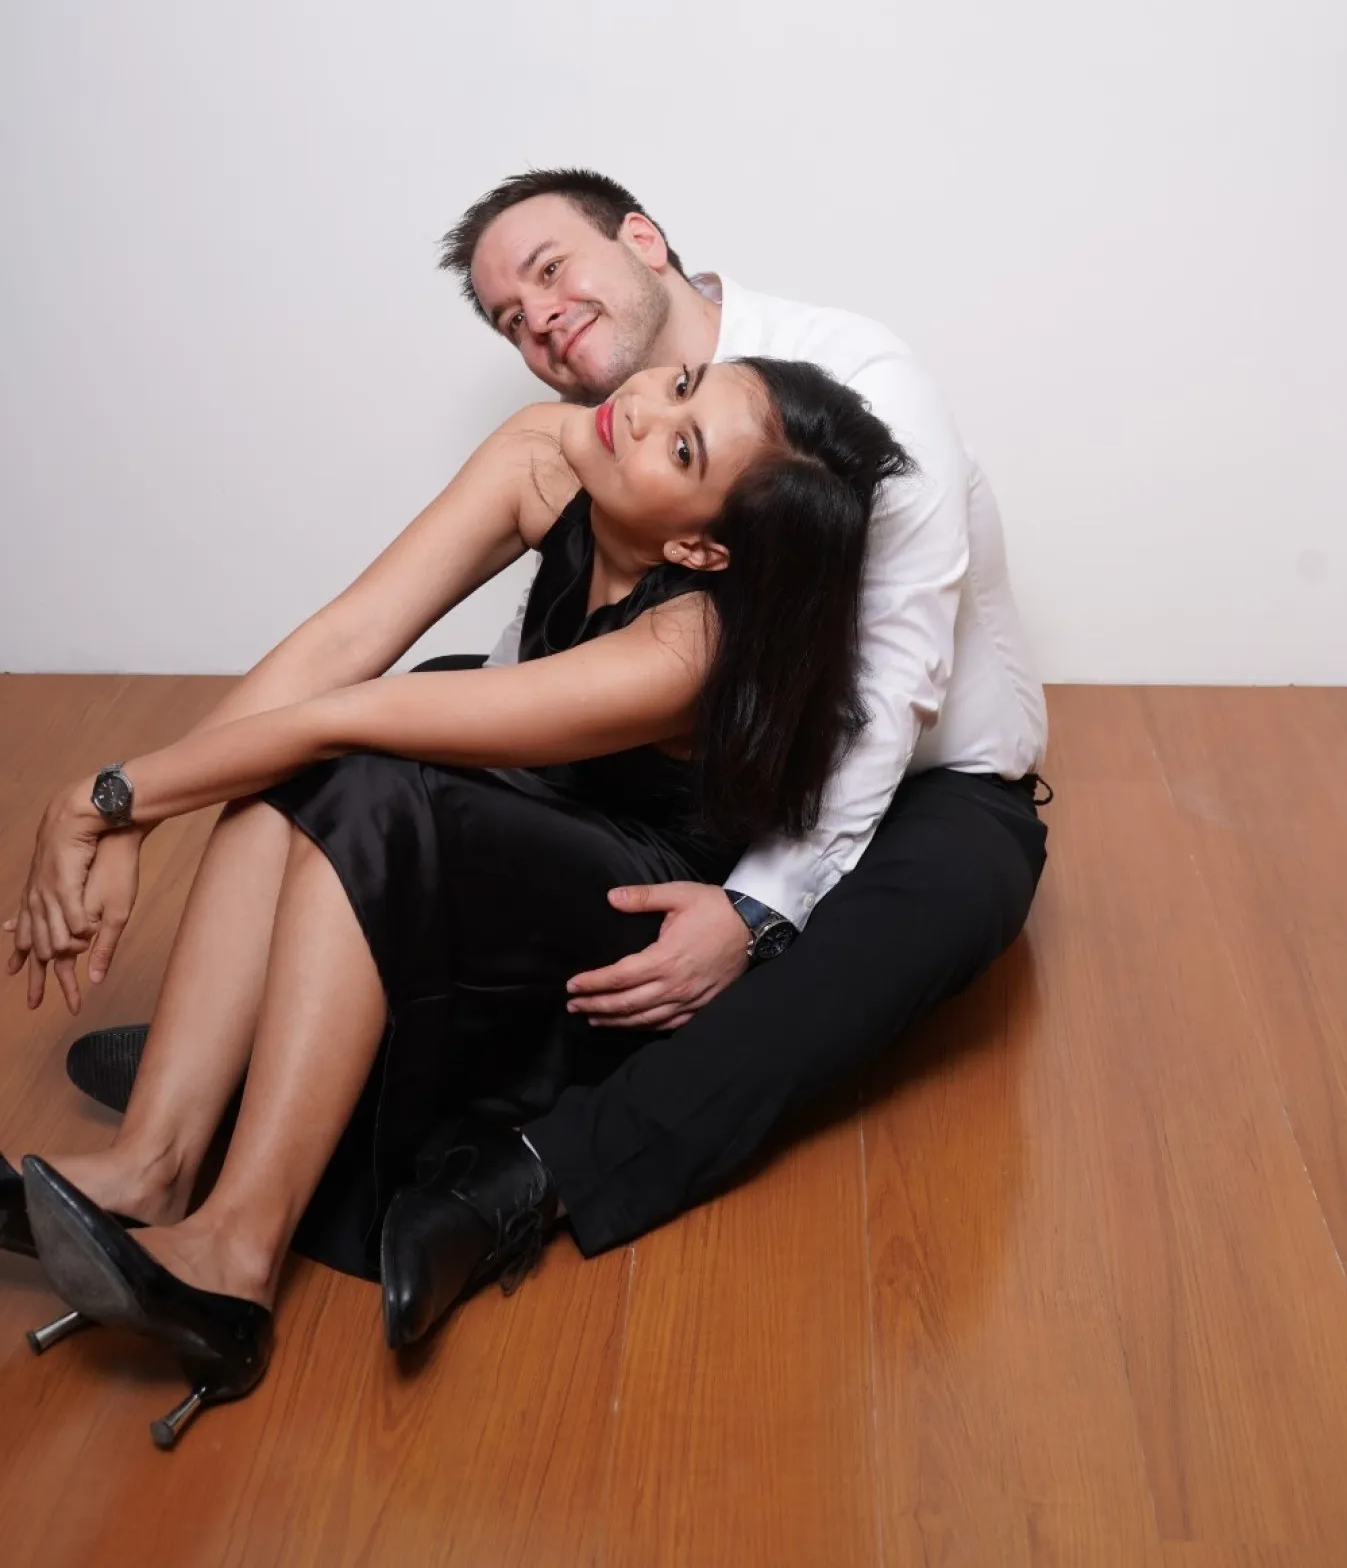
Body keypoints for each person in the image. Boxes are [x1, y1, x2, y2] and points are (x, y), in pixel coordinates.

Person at [54, 170, 1050, 1317]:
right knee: (376, 746)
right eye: (507, 316)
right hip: (669, 767)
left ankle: (490, 1179)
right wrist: (129, 806)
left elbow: (891, 690)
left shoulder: (858, 399)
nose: (539, 317)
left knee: (834, 956)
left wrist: (756, 909)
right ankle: (178, 1129)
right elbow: (347, 646)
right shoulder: (592, 444)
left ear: (645, 240)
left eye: (550, 269)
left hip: (933, 782)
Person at [2, 353, 911, 1446]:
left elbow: (339, 717)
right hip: (514, 829)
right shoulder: (546, 449)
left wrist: (105, 796)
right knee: (351, 741)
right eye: (682, 382)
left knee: (364, 767)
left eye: (683, 447)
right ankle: (151, 1162)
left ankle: (235, 1261)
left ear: (700, 548)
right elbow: (341, 644)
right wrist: (131, 815)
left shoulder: (691, 642)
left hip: (604, 937)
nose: (640, 409)